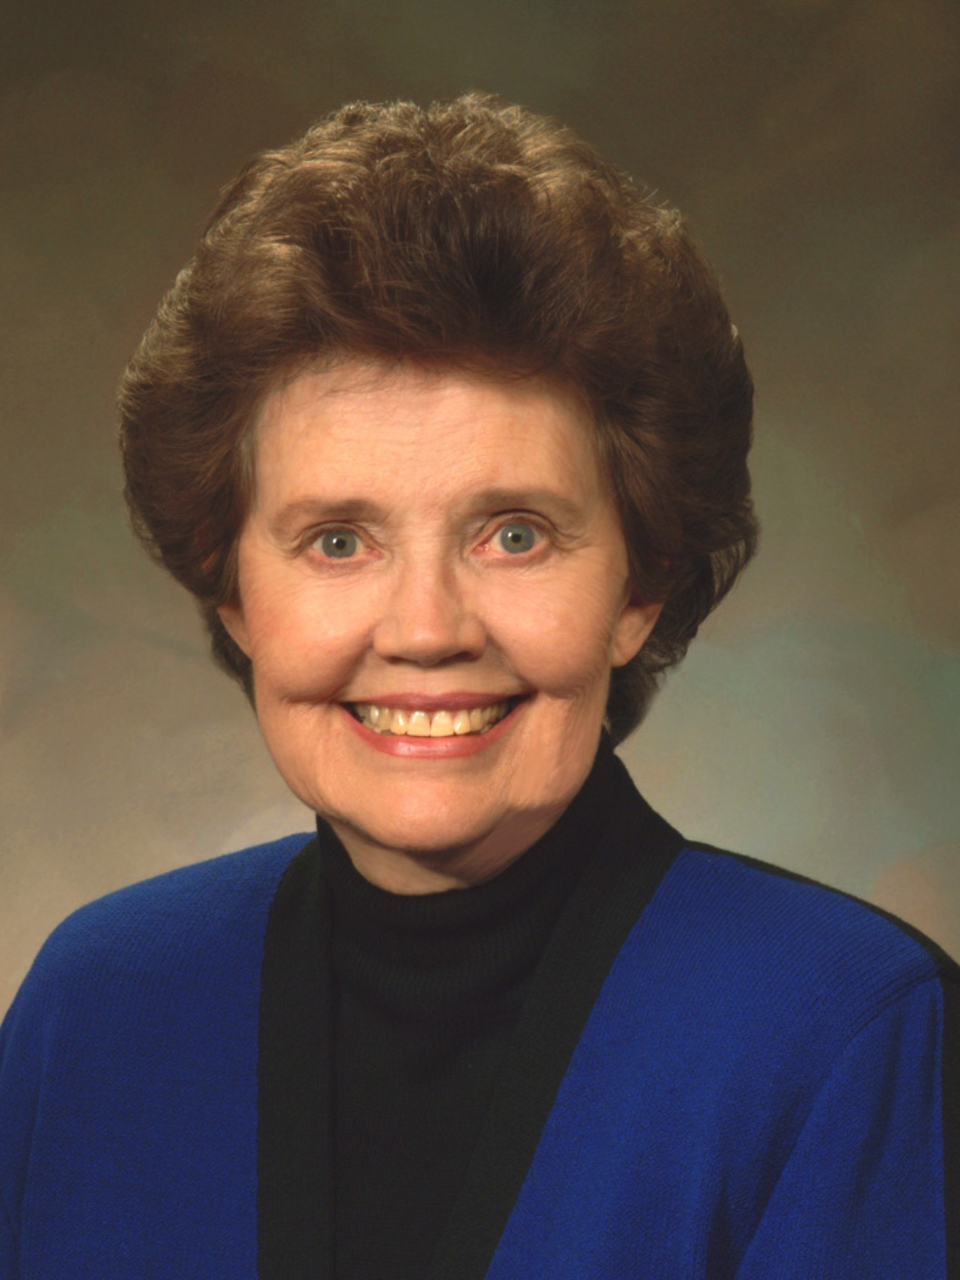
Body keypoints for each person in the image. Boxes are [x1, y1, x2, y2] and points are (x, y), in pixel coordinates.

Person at [0, 93, 956, 1279]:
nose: (426, 629)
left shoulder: (843, 1035)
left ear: (640, 585)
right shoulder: (94, 1011)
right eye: (337, 540)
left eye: (514, 534)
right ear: (232, 589)